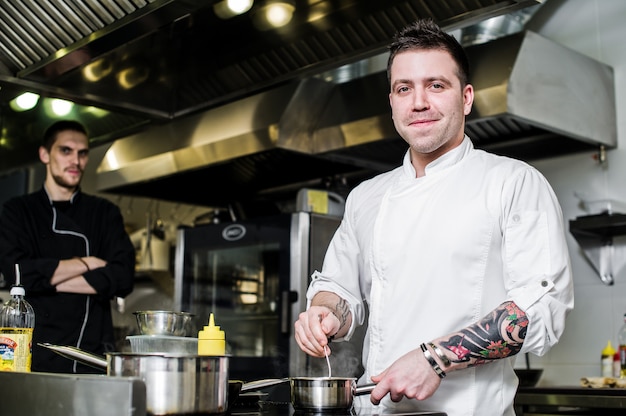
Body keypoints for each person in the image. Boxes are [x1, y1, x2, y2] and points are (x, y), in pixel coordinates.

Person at [293, 18, 574, 416]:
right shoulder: (365, 197)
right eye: (403, 89)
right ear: (391, 102)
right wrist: (324, 312)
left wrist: (435, 357)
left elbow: (541, 308)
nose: (418, 102)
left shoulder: (513, 183)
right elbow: (340, 288)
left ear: (467, 97)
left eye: (436, 85)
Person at [0, 120, 135, 373]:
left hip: (91, 356)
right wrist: (87, 263)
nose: (76, 161)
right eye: (66, 151)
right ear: (45, 154)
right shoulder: (18, 211)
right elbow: (16, 273)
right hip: (33, 355)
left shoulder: (104, 213)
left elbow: (123, 277)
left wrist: (45, 279)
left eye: (82, 153)